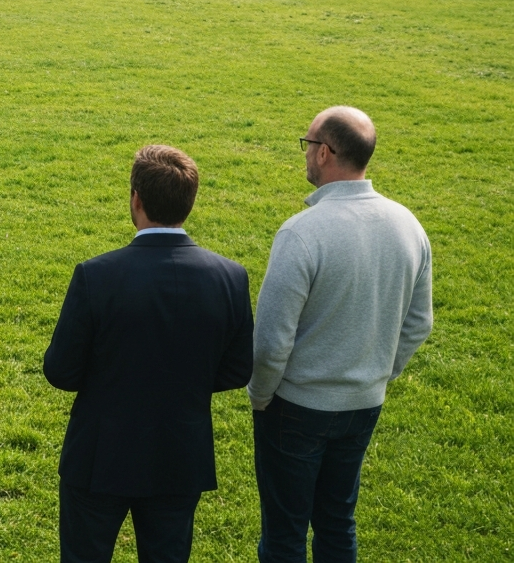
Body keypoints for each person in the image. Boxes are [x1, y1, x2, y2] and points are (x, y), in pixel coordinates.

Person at [44, 145, 253, 563]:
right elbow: (237, 370)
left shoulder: (96, 275)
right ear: (189, 203)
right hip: (180, 455)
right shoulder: (230, 276)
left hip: (100, 455)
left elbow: (61, 371)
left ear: (136, 199)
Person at [249, 106, 433, 563]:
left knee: (285, 533)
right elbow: (419, 323)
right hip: (364, 405)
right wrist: (378, 374)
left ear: (325, 153)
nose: (305, 154)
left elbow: (272, 341)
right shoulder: (408, 225)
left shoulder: (302, 234)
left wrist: (260, 395)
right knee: (336, 523)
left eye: (307, 145)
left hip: (294, 409)